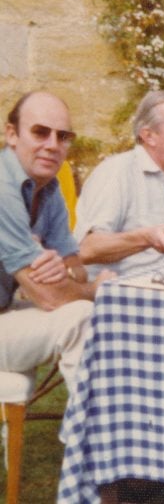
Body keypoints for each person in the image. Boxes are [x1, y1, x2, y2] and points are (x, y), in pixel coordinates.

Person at [0, 91, 112, 394]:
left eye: (62, 136)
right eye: (40, 132)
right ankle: (98, 436)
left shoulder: (48, 190)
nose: (52, 145)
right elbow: (49, 297)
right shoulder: (2, 186)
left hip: (6, 310)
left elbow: (77, 270)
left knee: (94, 315)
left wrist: (62, 270)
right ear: (12, 134)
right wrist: (93, 291)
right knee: (82, 316)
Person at [74, 90, 164, 279]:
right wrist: (145, 238)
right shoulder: (116, 171)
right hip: (121, 294)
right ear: (149, 136)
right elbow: (87, 249)